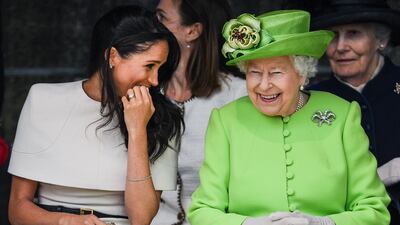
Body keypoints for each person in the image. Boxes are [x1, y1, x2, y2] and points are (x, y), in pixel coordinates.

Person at [188, 10, 391, 225]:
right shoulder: (226, 120)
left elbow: (374, 209)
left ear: (301, 74)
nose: (264, 85)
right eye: (255, 72)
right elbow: (202, 211)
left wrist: (322, 223)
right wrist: (250, 224)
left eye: (276, 73)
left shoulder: (342, 114)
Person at [8, 5, 183, 225]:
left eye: (160, 68)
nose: (155, 81)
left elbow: (141, 218)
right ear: (113, 56)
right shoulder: (43, 99)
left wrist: (137, 129)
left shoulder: (162, 117)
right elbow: (17, 210)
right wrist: (68, 222)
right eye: (149, 66)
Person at [151, 0, 247, 224]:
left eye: (161, 18)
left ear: (192, 31)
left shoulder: (237, 95)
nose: (150, 25)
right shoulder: (147, 91)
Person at [307, 0, 400, 223]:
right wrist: (385, 174)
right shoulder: (309, 100)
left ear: (381, 40)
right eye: (333, 36)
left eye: (353, 34)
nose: (340, 47)